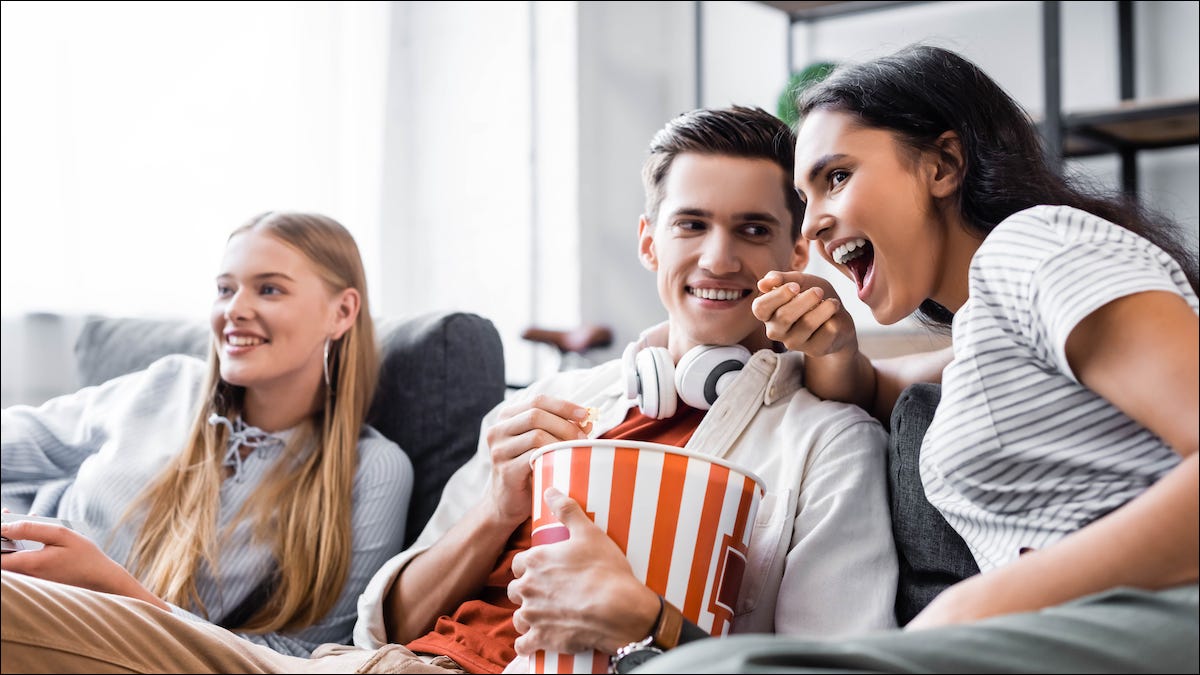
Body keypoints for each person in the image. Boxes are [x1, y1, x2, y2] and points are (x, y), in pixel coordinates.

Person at [0, 106, 898, 674]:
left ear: (796, 251)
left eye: (752, 230)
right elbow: (378, 621)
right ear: (649, 243)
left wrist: (648, 624)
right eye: (691, 224)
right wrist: (491, 505)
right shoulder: (559, 396)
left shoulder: (825, 441)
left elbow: (835, 666)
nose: (718, 257)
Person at [633, 44, 1199, 673]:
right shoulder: (988, 328)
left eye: (837, 177)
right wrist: (835, 344)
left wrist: (976, 608)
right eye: (805, 194)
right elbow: (879, 386)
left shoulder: (1034, 245)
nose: (814, 225)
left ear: (943, 164)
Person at [1, 211, 414, 659]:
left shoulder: (371, 470)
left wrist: (112, 587)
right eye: (225, 289)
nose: (234, 309)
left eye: (269, 289)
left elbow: (302, 660)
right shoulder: (167, 384)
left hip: (91, 645)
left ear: (342, 311)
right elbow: (19, 440)